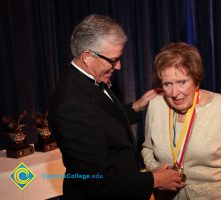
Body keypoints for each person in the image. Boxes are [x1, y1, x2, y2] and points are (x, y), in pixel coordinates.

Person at [48, 14, 185, 200]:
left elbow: (102, 123)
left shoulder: (89, 80)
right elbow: (96, 182)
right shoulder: (72, 104)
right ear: (88, 57)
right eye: (113, 60)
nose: (119, 66)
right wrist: (154, 179)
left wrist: (136, 106)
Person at [142, 42, 221, 199]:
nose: (174, 93)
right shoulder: (155, 106)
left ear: (196, 80)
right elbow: (147, 148)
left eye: (182, 82)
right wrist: (157, 172)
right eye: (167, 84)